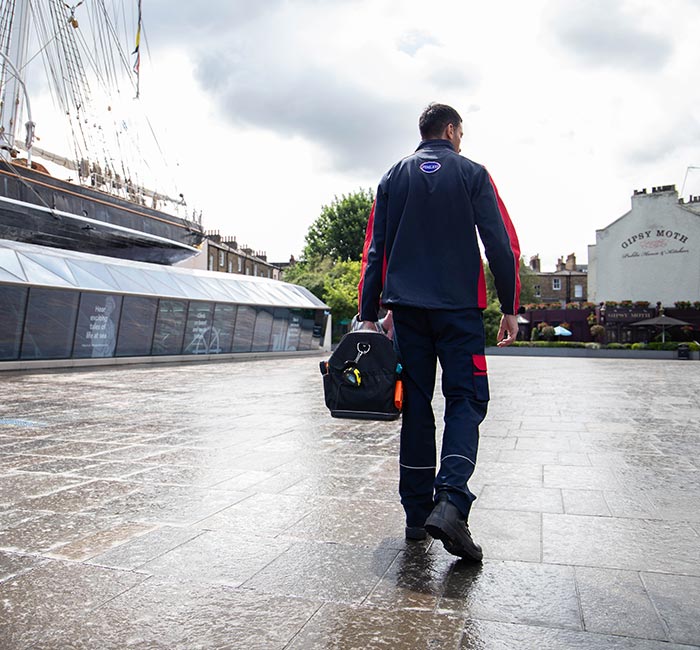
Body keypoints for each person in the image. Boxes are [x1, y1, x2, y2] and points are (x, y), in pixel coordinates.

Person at [358, 102, 521, 561]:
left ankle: (415, 516)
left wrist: (369, 313)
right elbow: (500, 244)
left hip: (406, 313)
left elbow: (376, 249)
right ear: (450, 130)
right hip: (460, 313)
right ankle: (450, 502)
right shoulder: (472, 173)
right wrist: (510, 307)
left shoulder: (393, 176)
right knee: (466, 400)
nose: (461, 141)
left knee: (416, 406)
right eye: (461, 134)